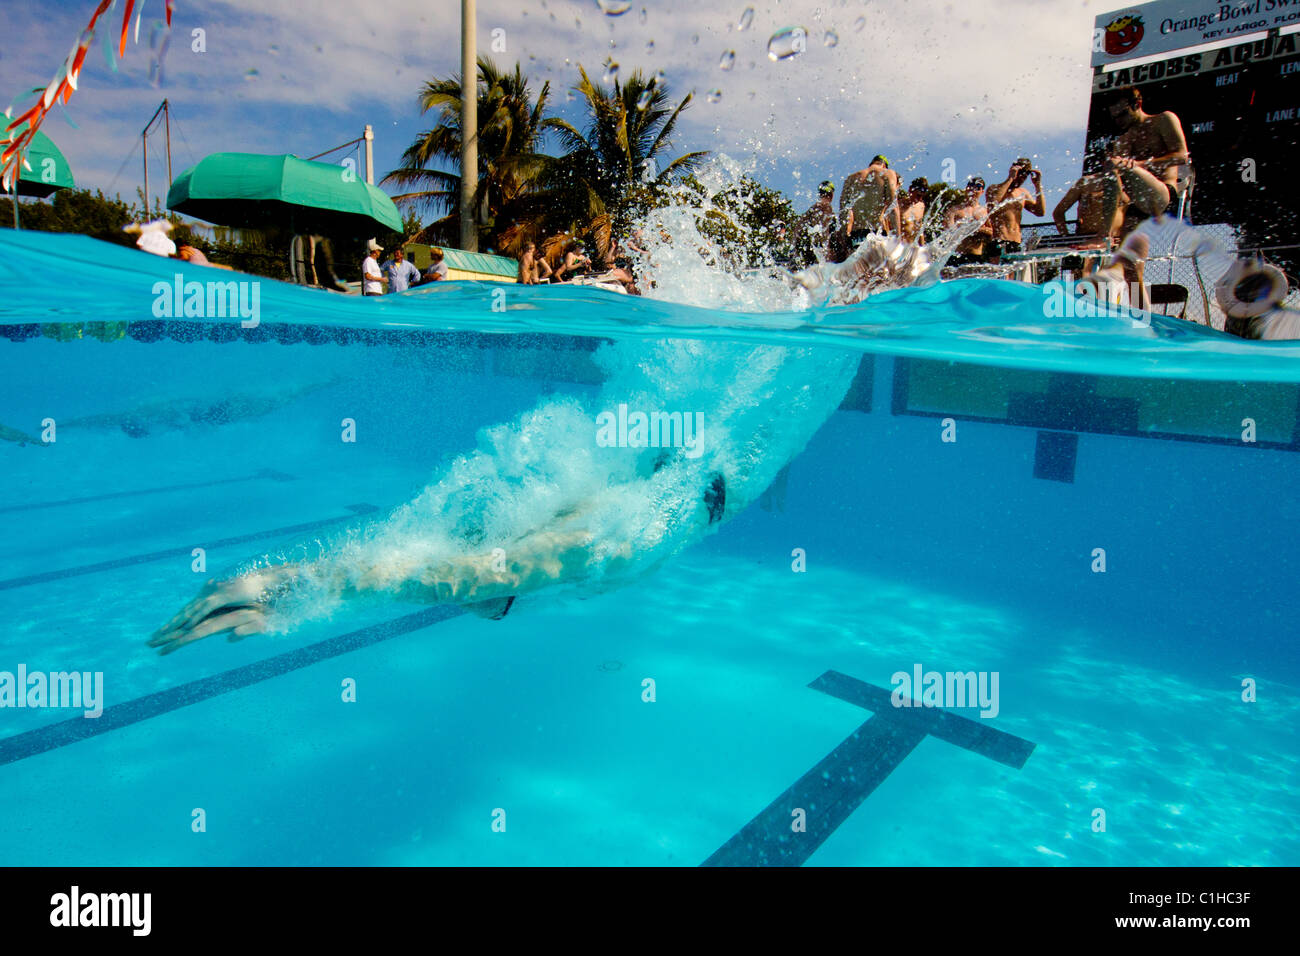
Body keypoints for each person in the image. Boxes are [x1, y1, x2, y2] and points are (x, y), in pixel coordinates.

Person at [1103, 87, 1190, 236]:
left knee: (1115, 164)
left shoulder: (1163, 120)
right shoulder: (1124, 140)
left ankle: (1101, 236)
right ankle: (1106, 238)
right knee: (1126, 255)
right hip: (1137, 201)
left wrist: (1139, 164)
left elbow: (1182, 156)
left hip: (1163, 195)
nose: (1119, 121)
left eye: (1123, 114)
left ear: (1137, 104)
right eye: (1115, 117)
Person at [1052, 148, 1127, 243]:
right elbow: (1058, 212)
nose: (1119, 160)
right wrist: (1066, 238)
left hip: (1118, 241)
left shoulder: (1131, 184)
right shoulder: (1086, 182)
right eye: (1115, 158)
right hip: (1088, 239)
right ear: (1104, 161)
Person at [985, 158, 1046, 260]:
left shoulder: (1022, 193)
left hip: (1016, 242)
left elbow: (1040, 212)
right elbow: (994, 202)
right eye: (1020, 173)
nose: (1022, 178)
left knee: (1013, 276)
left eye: (1025, 175)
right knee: (996, 274)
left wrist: (1038, 185)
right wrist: (1010, 178)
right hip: (999, 240)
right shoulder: (994, 188)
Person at [841, 155, 901, 242]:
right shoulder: (888, 173)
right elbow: (893, 207)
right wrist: (898, 239)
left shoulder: (851, 178)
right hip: (877, 234)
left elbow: (844, 211)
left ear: (871, 164)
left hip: (856, 234)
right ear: (884, 165)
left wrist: (844, 237)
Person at [943, 177, 993, 264]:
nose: (973, 190)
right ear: (966, 189)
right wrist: (968, 230)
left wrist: (977, 230)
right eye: (971, 186)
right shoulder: (954, 210)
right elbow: (948, 232)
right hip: (957, 256)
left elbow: (992, 233)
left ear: (982, 191)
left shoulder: (985, 211)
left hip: (976, 256)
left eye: (977, 187)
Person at [900, 178, 929, 245]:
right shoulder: (898, 206)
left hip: (911, 247)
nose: (920, 199)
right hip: (899, 247)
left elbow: (919, 228)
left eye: (922, 196)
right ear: (910, 190)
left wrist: (922, 248)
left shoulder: (921, 206)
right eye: (918, 195)